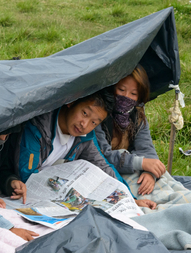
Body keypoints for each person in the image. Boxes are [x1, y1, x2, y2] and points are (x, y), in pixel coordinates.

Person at [12, 92, 156, 209]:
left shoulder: (84, 137)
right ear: (71, 102)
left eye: (94, 122)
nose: (84, 124)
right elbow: (26, 175)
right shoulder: (38, 128)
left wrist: (131, 199)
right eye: (85, 113)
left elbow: (103, 166)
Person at [95, 65, 165, 196]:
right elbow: (101, 156)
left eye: (133, 94)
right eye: (121, 90)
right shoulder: (99, 114)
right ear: (112, 87)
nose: (126, 97)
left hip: (132, 170)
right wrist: (141, 163)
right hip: (107, 172)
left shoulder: (137, 115)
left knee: (163, 188)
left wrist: (150, 173)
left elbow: (146, 149)